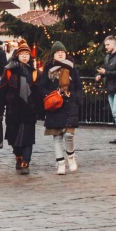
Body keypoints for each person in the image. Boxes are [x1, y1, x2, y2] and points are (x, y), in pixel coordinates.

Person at [38, 42, 83, 174]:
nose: (60, 53)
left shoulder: (71, 68)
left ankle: (71, 157)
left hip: (70, 105)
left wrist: (76, 97)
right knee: (57, 136)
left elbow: (78, 86)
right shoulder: (48, 69)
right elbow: (42, 87)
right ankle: (61, 164)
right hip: (55, 106)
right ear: (53, 55)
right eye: (58, 52)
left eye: (62, 51)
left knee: (69, 135)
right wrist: (49, 95)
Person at [0, 39, 37, 174]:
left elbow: (38, 91)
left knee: (28, 139)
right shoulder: (9, 70)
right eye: (22, 54)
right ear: (17, 55)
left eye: (27, 54)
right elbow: (1, 91)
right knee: (13, 138)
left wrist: (40, 109)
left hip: (29, 110)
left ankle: (26, 162)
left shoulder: (34, 72)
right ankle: (18, 156)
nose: (25, 56)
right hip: (13, 109)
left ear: (30, 56)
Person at [98, 35, 116, 145]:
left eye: (107, 44)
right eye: (105, 45)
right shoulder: (107, 57)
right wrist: (100, 76)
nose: (106, 47)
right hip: (111, 88)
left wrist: (105, 73)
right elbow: (108, 71)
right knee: (115, 112)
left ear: (114, 43)